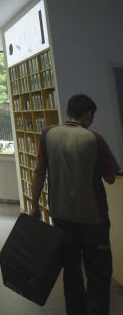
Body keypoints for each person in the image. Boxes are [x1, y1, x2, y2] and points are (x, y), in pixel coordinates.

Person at [30, 94, 119, 315]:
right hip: (93, 220)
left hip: (61, 217)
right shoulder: (94, 139)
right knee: (98, 275)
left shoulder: (48, 134)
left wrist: (34, 205)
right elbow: (110, 176)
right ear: (88, 114)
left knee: (71, 271)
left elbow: (40, 172)